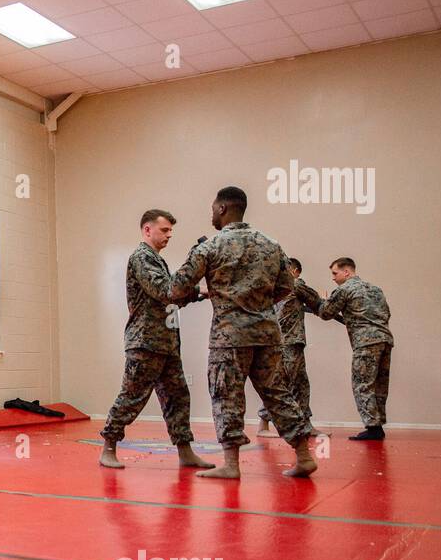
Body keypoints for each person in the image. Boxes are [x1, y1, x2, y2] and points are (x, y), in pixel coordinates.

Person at [168, 186, 317, 479]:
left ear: (223, 208)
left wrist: (223, 297)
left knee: (226, 396)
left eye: (213, 208)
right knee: (278, 394)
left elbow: (176, 288)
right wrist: (257, 304)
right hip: (268, 334)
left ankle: (231, 464)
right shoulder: (270, 244)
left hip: (229, 337)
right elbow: (287, 288)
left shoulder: (210, 247)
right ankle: (304, 456)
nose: (211, 213)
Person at [99, 210, 214, 470]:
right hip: (145, 343)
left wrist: (198, 293)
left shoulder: (157, 260)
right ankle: (108, 446)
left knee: (178, 398)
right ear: (147, 230)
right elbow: (165, 291)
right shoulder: (142, 258)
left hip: (166, 343)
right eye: (165, 230)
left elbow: (172, 296)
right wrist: (194, 272)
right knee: (132, 398)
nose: (169, 235)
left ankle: (185, 451)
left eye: (171, 231)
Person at [300, 257, 394, 441]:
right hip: (385, 339)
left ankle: (373, 428)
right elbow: (384, 313)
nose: (333, 278)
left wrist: (319, 301)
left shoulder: (344, 290)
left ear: (347, 272)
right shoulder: (375, 289)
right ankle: (378, 426)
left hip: (365, 343)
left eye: (335, 273)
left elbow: (326, 313)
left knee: (362, 384)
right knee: (379, 385)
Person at [256, 257, 323, 438]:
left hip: (289, 342)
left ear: (295, 271)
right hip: (286, 342)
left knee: (300, 383)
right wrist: (324, 303)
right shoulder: (293, 285)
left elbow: (308, 306)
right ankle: (263, 423)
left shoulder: (284, 287)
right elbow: (318, 303)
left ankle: (305, 425)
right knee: (282, 383)